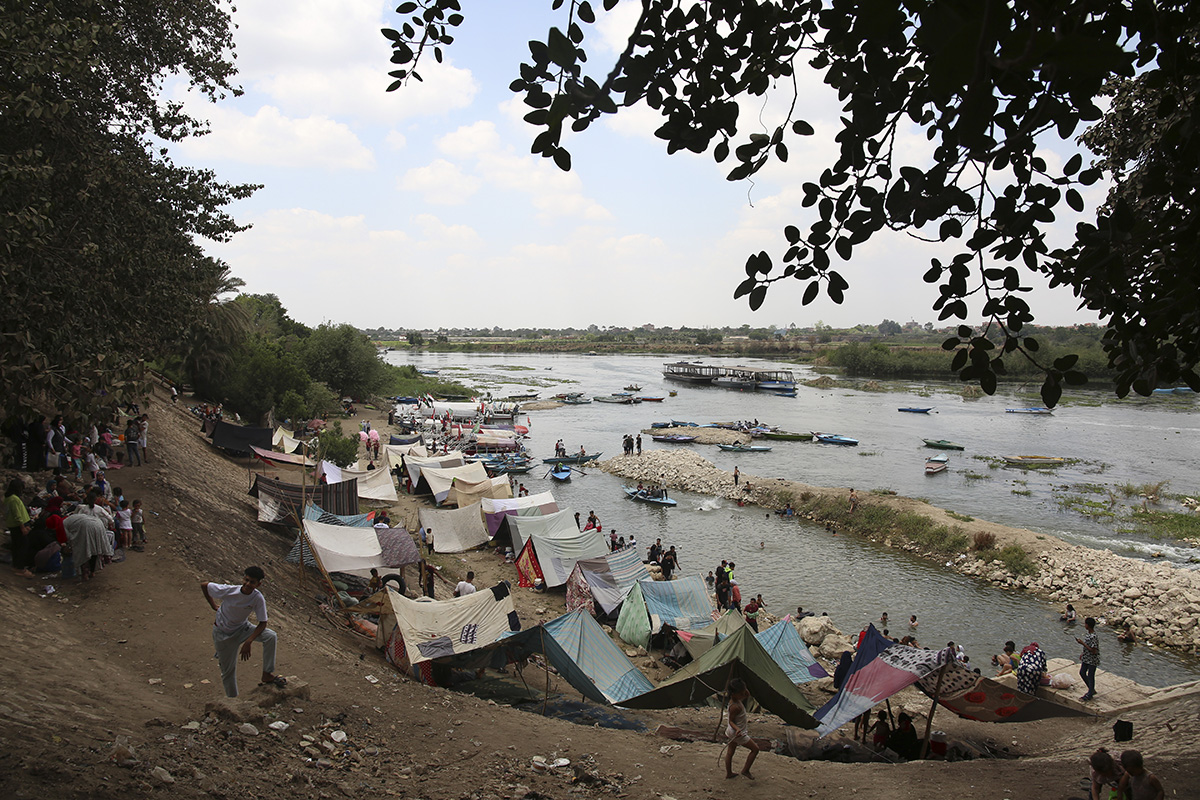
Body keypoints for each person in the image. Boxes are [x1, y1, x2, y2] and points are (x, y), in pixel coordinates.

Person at [201, 566, 283, 697]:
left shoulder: (257, 598)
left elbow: (263, 623)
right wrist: (213, 605)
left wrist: (249, 641)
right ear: (243, 578)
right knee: (228, 672)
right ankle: (233, 700)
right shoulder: (230, 590)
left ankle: (267, 673)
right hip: (223, 634)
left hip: (242, 629)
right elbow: (205, 585)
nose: (248, 584)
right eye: (247, 580)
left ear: (258, 584)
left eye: (252, 582)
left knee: (271, 636)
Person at [722, 678, 759, 779]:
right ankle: (745, 770)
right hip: (737, 733)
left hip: (731, 731)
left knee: (730, 752)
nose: (744, 694)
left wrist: (744, 689)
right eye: (741, 693)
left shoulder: (736, 699)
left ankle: (729, 773)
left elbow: (747, 694)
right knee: (755, 749)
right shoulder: (735, 706)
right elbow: (730, 721)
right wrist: (738, 729)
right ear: (734, 694)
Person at [4, 479, 34, 577]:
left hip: (14, 525)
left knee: (16, 546)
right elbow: (17, 515)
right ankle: (20, 568)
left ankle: (16, 566)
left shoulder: (8, 498)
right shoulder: (14, 499)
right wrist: (23, 527)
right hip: (18, 526)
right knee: (22, 546)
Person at [1076, 616, 1100, 701]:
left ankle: (1090, 694)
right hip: (1086, 658)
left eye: (1085, 623)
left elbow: (1093, 650)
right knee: (1082, 672)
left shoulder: (1093, 636)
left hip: (1092, 659)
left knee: (1090, 675)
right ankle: (1091, 689)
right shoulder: (1088, 634)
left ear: (1088, 625)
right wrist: (1083, 654)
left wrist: (1083, 644)